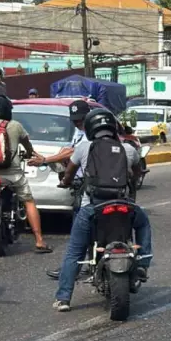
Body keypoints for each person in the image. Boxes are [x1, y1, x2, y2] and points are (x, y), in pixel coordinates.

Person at [54, 108, 150, 312]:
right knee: (142, 222)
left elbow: (69, 173)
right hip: (123, 206)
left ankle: (63, 298)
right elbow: (137, 174)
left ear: (90, 128)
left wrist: (65, 182)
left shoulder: (83, 147)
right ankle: (143, 262)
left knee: (74, 250)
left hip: (93, 207)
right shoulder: (128, 149)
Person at [0, 96, 50, 253]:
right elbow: (28, 146)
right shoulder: (15, 126)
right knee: (28, 201)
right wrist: (29, 154)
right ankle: (40, 241)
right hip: (12, 174)